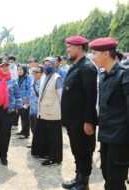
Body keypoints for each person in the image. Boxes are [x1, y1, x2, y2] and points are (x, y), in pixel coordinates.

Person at [90, 37, 129, 190]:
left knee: (115, 181)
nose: (93, 57)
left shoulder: (124, 75)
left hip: (120, 139)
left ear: (106, 54)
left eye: (94, 53)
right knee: (107, 175)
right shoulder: (104, 76)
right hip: (106, 136)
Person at [61, 36, 97, 190]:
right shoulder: (76, 66)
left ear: (80, 47)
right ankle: (78, 178)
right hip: (72, 121)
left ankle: (84, 183)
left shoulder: (87, 67)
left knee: (84, 151)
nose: (67, 49)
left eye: (70, 46)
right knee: (76, 150)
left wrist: (89, 121)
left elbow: (91, 97)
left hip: (82, 121)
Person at [31, 58, 63, 165]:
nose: (47, 66)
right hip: (43, 112)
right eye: (45, 64)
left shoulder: (57, 78)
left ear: (53, 65)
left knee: (54, 137)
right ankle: (46, 153)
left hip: (53, 113)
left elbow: (61, 97)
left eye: (49, 64)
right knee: (45, 135)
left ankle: (55, 158)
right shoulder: (44, 77)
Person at [16, 64, 32, 139]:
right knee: (22, 116)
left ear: (25, 70)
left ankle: (26, 133)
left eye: (21, 69)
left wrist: (27, 101)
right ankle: (23, 130)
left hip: (26, 101)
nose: (19, 71)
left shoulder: (28, 77)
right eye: (18, 69)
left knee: (26, 117)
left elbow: (29, 89)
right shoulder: (19, 78)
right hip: (20, 101)